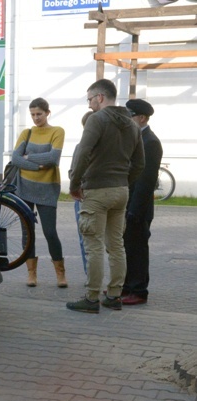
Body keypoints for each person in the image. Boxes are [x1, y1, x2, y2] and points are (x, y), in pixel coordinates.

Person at [67, 79, 145, 313]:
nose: (89, 104)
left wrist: (74, 184)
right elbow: (140, 163)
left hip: (97, 190)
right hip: (121, 191)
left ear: (100, 97)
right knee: (116, 245)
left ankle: (91, 298)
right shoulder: (132, 124)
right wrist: (123, 182)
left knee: (94, 246)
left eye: (90, 99)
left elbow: (83, 153)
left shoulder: (96, 120)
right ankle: (114, 295)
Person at [10, 98, 67, 288]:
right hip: (24, 188)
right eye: (33, 114)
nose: (35, 118)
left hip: (47, 189)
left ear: (47, 113)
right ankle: (31, 274)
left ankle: (60, 274)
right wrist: (37, 166)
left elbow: (53, 157)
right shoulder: (26, 133)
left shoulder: (57, 131)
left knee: (50, 232)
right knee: (28, 232)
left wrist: (29, 157)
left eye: (39, 114)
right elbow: (15, 159)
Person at [121, 99, 163, 305]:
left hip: (138, 208)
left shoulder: (150, 142)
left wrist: (134, 211)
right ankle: (127, 287)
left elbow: (146, 181)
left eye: (130, 116)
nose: (128, 120)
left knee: (137, 250)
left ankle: (138, 291)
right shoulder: (136, 138)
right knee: (127, 248)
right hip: (128, 204)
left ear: (142, 118)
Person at [69, 110, 94, 276]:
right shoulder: (79, 147)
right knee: (84, 238)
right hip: (83, 197)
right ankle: (90, 275)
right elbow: (72, 171)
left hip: (94, 196)